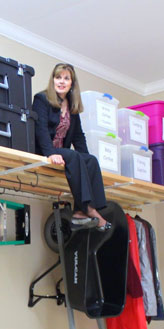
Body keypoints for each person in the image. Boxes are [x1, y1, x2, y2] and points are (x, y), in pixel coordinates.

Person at [32, 63, 111, 230]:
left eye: (66, 78)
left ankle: (81, 211)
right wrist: (50, 154)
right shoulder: (42, 99)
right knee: (74, 156)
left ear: (72, 83)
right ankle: (89, 209)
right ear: (52, 80)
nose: (61, 81)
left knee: (90, 159)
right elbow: (40, 130)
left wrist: (86, 162)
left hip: (63, 151)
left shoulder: (72, 107)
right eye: (58, 77)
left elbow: (78, 136)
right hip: (45, 149)